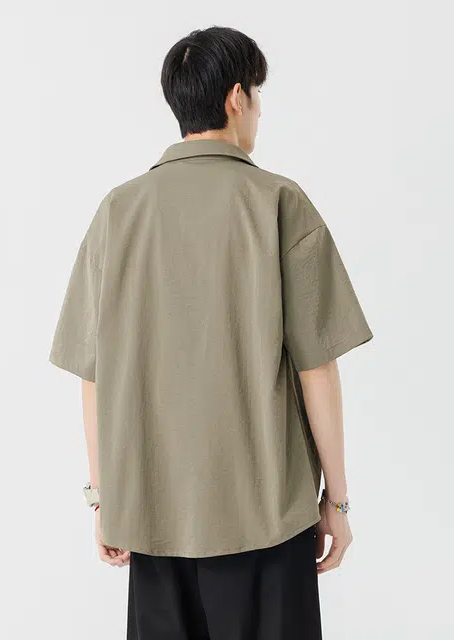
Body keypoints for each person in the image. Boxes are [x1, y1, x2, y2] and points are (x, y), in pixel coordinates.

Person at [48, 25, 373, 640]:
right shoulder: (278, 202)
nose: (259, 112)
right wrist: (336, 501)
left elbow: (94, 376)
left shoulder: (119, 211)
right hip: (268, 517)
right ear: (235, 97)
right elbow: (318, 369)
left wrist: (105, 498)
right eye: (258, 95)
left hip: (152, 516)